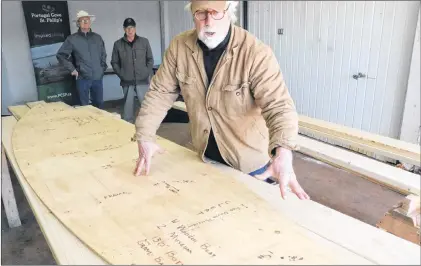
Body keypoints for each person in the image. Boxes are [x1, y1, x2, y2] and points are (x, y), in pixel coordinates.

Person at [133, 0, 310, 200]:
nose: (208, 21)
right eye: (201, 13)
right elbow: (159, 93)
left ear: (229, 12)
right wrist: (145, 135)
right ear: (192, 15)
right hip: (205, 156)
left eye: (215, 12)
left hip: (249, 164)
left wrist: (283, 153)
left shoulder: (255, 53)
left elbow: (278, 106)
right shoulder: (179, 47)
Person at [57, 10, 107, 109]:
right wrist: (72, 69)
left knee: (99, 104)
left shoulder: (97, 38)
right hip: (82, 78)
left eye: (87, 20)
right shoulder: (72, 39)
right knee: (83, 106)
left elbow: (103, 54)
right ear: (78, 23)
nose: (85, 22)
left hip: (97, 77)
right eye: (82, 20)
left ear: (90, 22)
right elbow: (60, 55)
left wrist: (102, 68)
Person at [111, 18, 154, 123]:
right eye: (128, 28)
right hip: (127, 81)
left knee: (145, 105)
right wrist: (122, 75)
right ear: (124, 29)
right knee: (127, 106)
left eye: (132, 28)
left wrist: (146, 72)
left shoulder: (144, 42)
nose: (130, 30)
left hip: (142, 80)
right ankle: (128, 125)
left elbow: (150, 59)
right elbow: (114, 62)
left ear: (135, 28)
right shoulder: (118, 44)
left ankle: (147, 125)